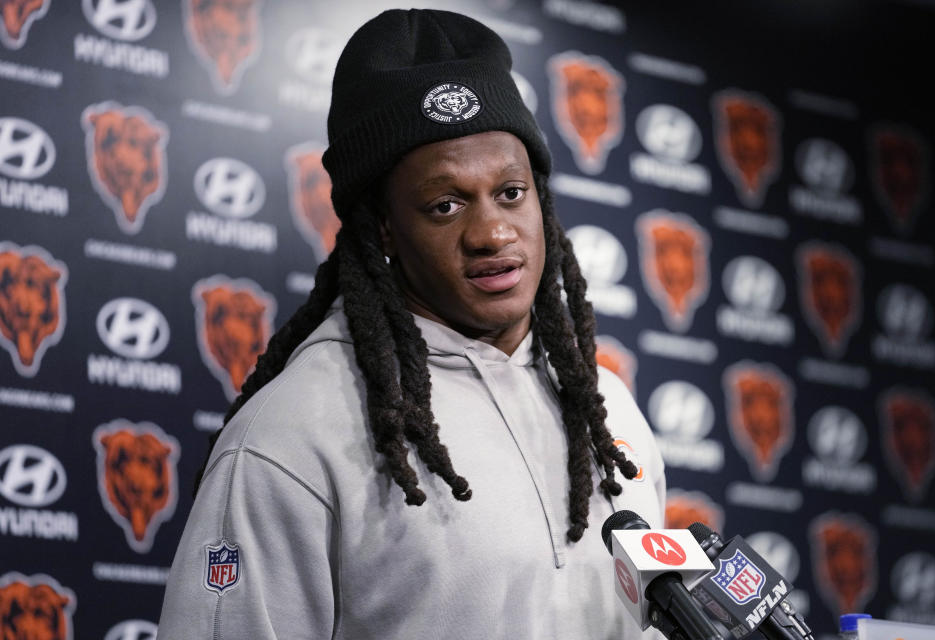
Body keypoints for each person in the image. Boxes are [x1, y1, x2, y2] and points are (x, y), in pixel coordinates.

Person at [158, 8, 665, 639]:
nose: (492, 233)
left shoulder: (608, 412)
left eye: (510, 192)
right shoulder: (292, 434)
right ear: (384, 230)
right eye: (444, 205)